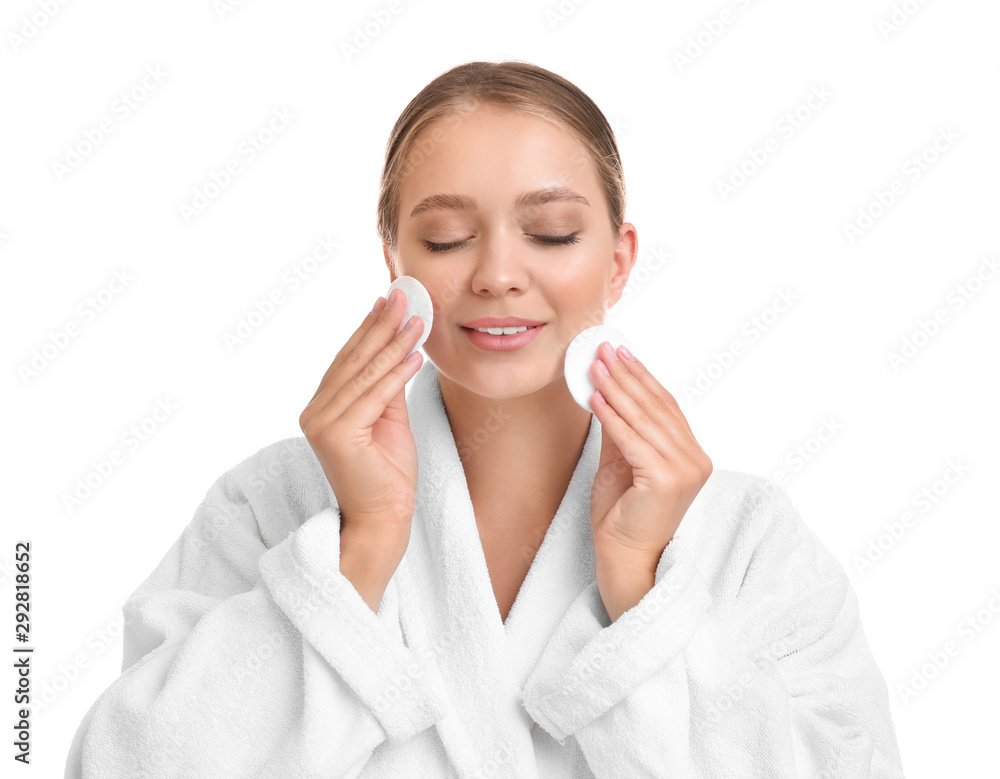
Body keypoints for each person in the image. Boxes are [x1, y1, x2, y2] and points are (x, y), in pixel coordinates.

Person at [65, 60, 905, 778]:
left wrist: (645, 594)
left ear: (619, 260)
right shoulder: (270, 507)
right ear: (393, 260)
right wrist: (354, 560)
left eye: (550, 231)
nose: (500, 272)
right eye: (446, 238)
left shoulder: (746, 538)